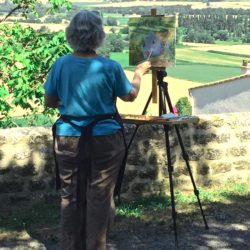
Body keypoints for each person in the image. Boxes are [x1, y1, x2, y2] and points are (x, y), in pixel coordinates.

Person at [44, 10, 151, 250]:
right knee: (100, 197)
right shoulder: (109, 66)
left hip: (68, 136)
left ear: (71, 34)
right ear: (99, 35)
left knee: (69, 196)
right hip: (105, 138)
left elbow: (49, 101)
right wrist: (138, 74)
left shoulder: (61, 64)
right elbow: (130, 96)